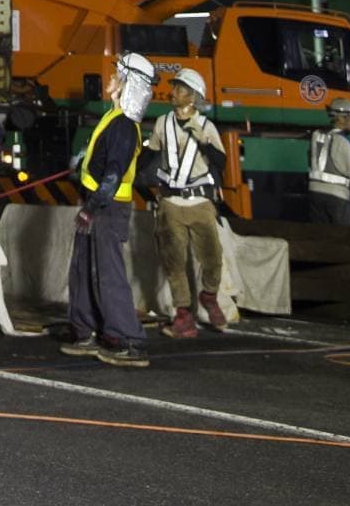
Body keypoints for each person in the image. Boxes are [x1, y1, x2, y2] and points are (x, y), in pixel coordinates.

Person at [61, 50, 155, 368]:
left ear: (128, 84)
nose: (111, 78)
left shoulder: (125, 126)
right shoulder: (113, 118)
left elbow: (114, 174)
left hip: (107, 208)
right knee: (83, 269)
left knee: (108, 273)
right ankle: (86, 331)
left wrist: (92, 206)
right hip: (98, 204)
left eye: (117, 75)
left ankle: (128, 339)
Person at [145, 66, 228, 336]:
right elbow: (151, 155)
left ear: (193, 96)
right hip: (171, 203)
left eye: (180, 89)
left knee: (212, 258)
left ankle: (209, 295)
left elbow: (220, 162)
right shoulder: (162, 123)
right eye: (175, 88)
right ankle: (183, 315)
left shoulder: (206, 126)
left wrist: (202, 138)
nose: (173, 92)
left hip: (200, 203)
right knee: (174, 261)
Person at [308, 98, 350, 226]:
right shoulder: (345, 143)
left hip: (315, 193)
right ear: (343, 119)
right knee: (344, 239)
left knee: (320, 237)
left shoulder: (316, 136)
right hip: (336, 197)